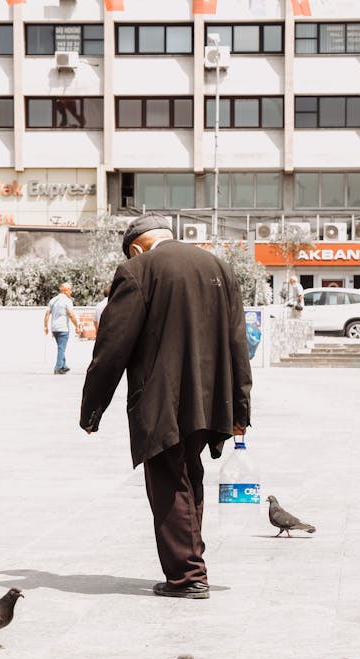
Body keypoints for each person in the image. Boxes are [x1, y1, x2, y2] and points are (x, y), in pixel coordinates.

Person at [80, 213, 252, 600]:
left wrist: (92, 409)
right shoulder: (219, 266)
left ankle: (188, 576)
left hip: (161, 399)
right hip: (212, 398)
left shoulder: (138, 269)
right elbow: (238, 341)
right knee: (190, 477)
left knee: (168, 483)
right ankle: (191, 564)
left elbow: (112, 347)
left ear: (137, 246)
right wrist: (241, 409)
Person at [44, 281, 80, 374]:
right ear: (65, 290)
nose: (71, 292)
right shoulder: (67, 301)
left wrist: (46, 326)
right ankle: (58, 367)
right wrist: (77, 326)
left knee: (61, 347)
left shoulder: (53, 300)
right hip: (63, 328)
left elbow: (47, 314)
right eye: (70, 290)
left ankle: (64, 366)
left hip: (54, 328)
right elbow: (71, 315)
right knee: (61, 348)